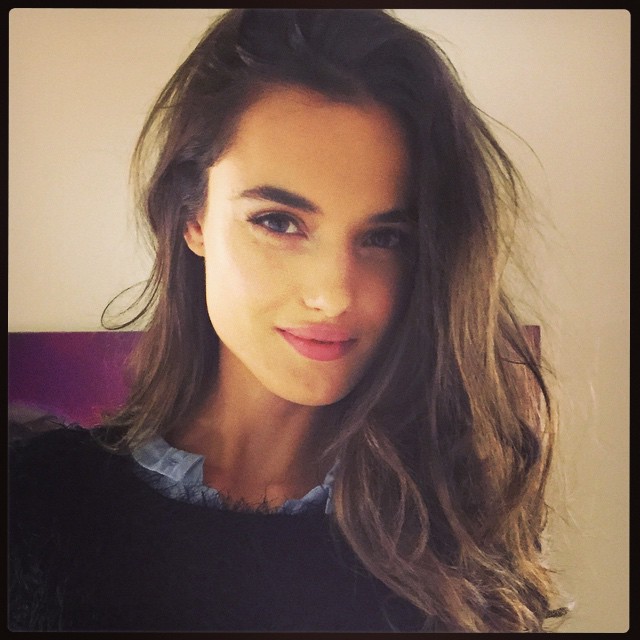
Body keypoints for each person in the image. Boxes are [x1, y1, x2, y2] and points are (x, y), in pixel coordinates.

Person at [9, 9, 567, 632]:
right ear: (192, 216)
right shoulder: (34, 503)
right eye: (278, 222)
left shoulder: (461, 547)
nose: (333, 295)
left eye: (385, 237)